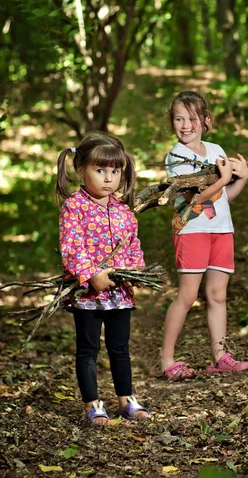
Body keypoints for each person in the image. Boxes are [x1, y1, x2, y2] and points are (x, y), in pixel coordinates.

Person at [56, 130, 150, 426]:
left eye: (114, 171)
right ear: (81, 169)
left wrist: (135, 271)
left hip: (120, 294)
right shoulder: (74, 206)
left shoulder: (124, 211)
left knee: (120, 347)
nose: (108, 178)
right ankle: (92, 404)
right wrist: (91, 275)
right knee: (88, 348)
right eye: (100, 170)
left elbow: (133, 245)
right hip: (87, 294)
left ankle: (126, 399)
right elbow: (71, 247)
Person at [161, 91, 248, 380]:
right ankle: (167, 360)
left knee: (217, 295)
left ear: (206, 120)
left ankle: (220, 355)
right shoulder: (176, 157)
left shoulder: (216, 150)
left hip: (222, 230)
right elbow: (194, 200)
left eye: (192, 118)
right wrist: (224, 179)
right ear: (172, 122)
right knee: (187, 296)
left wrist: (242, 179)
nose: (186, 125)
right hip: (192, 230)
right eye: (179, 118)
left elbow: (223, 198)